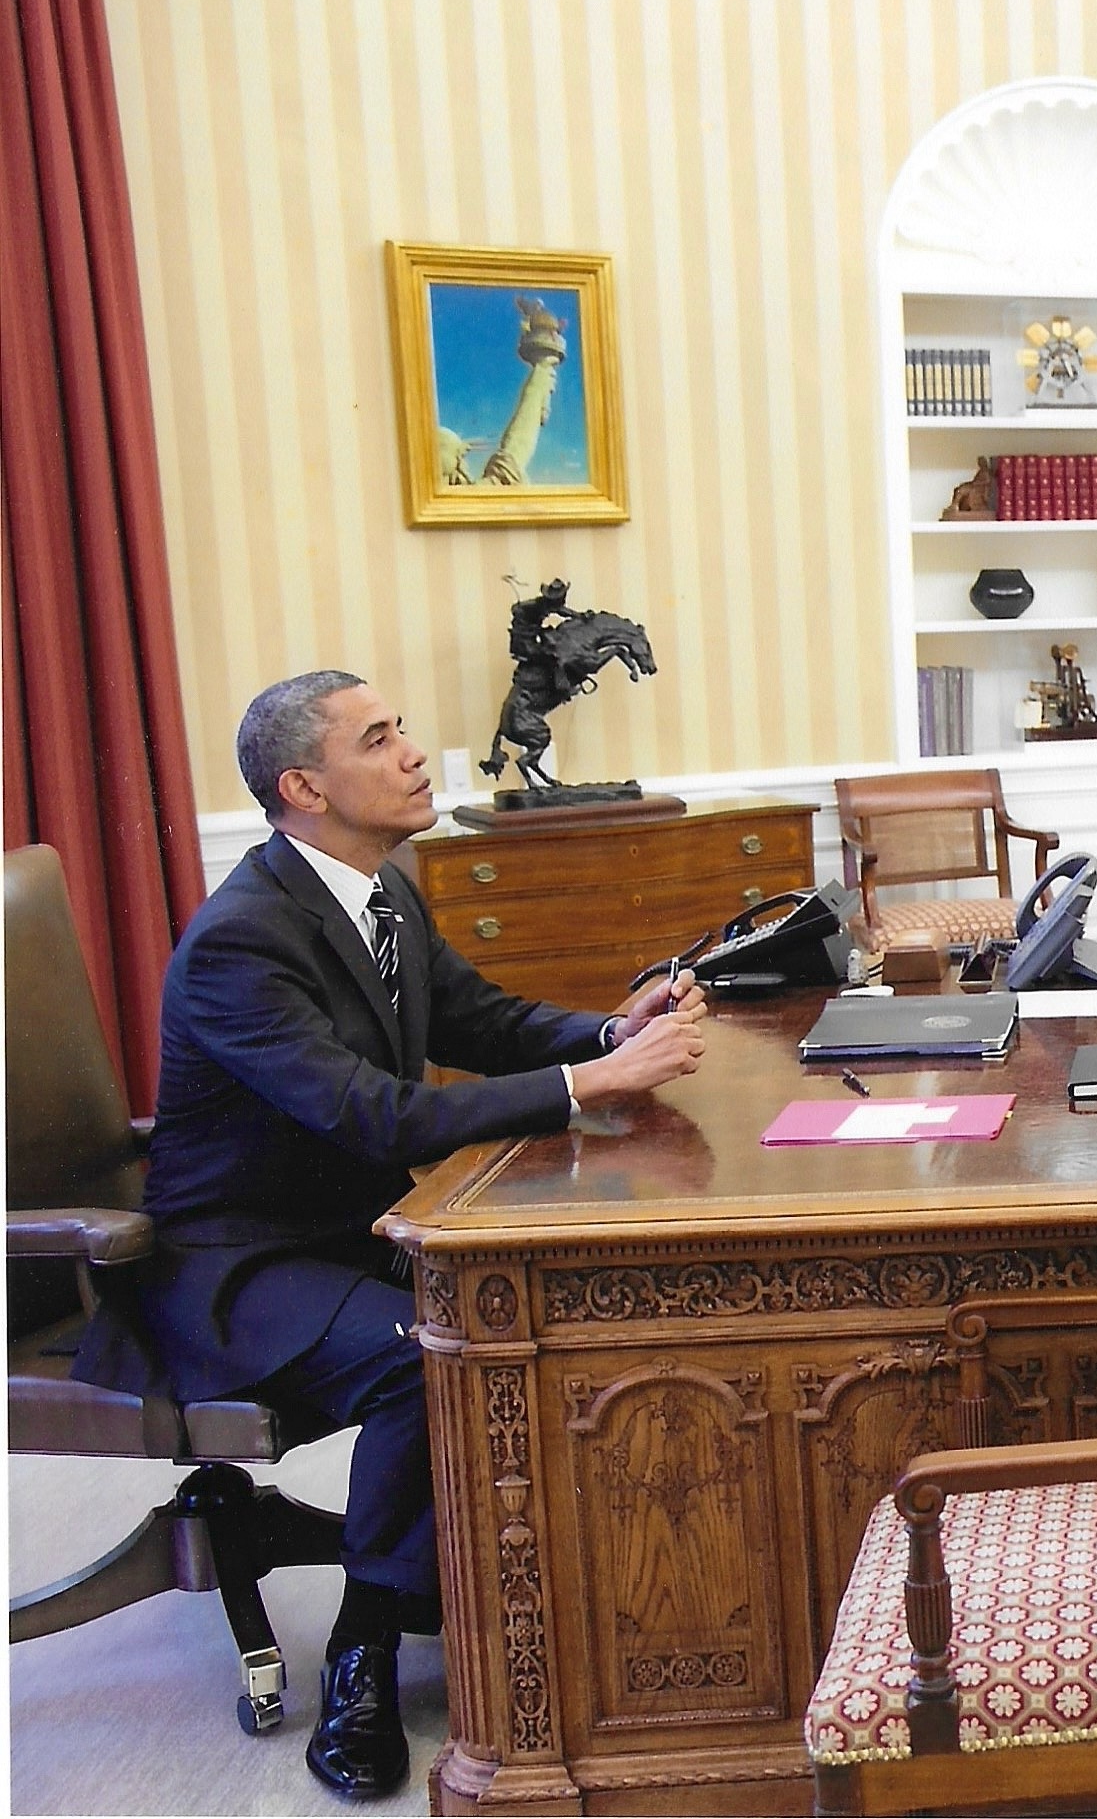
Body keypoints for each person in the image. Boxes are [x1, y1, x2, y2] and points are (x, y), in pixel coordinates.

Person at [74, 670, 707, 1798]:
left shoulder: (381, 885)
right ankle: (364, 1646)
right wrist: (587, 1080)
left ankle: (476, 1587)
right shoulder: (242, 940)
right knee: (431, 1354)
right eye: (380, 737)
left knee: (536, 1299)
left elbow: (480, 1018)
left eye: (403, 727)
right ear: (303, 785)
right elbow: (372, 1109)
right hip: (233, 1262)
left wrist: (611, 1024)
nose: (414, 751)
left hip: (351, 1228)